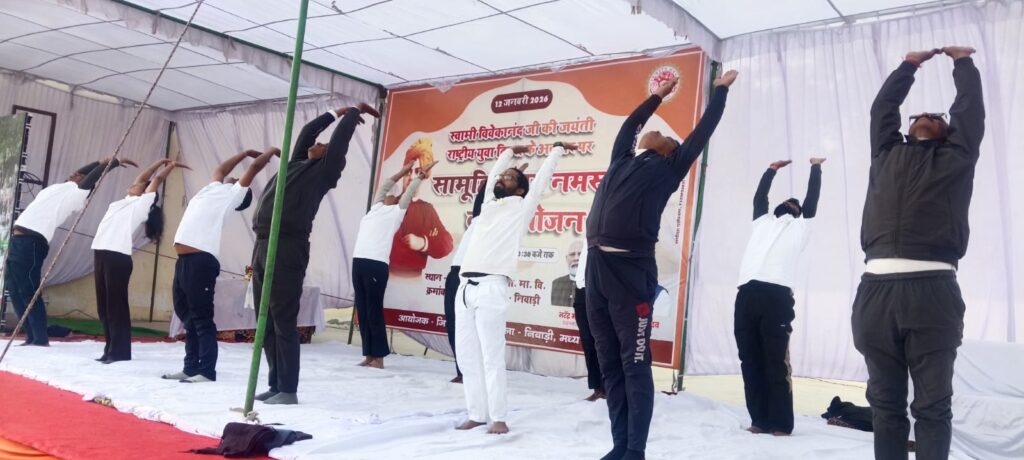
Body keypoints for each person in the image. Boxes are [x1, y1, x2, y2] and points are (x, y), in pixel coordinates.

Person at [585, 70, 737, 460]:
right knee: (609, 364)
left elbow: (702, 132)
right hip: (596, 270)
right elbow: (632, 125)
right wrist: (656, 97)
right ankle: (620, 445)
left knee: (634, 364)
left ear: (669, 150)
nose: (657, 132)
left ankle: (636, 450)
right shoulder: (621, 158)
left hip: (631, 274)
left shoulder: (670, 168)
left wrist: (720, 92)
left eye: (666, 135)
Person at [853, 46, 983, 460]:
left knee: (931, 406)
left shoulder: (957, 157)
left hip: (932, 289)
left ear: (949, 132)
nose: (926, 116)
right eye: (918, 116)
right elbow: (882, 109)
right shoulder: (885, 153)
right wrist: (908, 66)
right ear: (907, 130)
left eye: (936, 116)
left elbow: (970, 112)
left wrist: (962, 64)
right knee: (885, 405)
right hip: (875, 292)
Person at [251, 102, 379, 405]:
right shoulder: (295, 162)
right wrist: (336, 112)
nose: (316, 144)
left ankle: (288, 389)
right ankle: (275, 383)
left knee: (282, 318)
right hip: (263, 244)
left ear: (326, 156)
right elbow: (309, 131)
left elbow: (338, 143)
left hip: (287, 246)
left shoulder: (323, 173)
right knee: (264, 320)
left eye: (321, 145)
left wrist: (352, 115)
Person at [455, 142, 570, 435]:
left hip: (491, 287)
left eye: (509, 178)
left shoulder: (521, 207)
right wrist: (508, 154)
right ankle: (476, 413)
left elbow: (541, 179)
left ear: (519, 190)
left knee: (491, 356)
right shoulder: (488, 206)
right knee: (467, 356)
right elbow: (491, 177)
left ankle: (498, 417)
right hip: (464, 288)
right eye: (503, 176)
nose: (502, 179)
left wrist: (556, 150)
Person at [161, 147, 277, 383]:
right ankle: (190, 367)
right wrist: (243, 154)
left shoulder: (232, 195)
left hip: (201, 261)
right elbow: (220, 170)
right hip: (184, 261)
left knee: (201, 317)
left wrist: (271, 151)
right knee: (187, 316)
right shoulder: (213, 188)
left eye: (237, 180)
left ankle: (206, 370)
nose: (232, 177)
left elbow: (255, 168)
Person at [734, 157, 825, 436]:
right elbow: (760, 198)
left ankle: (782, 424)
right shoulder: (762, 222)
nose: (790, 204)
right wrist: (770, 171)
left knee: (775, 360)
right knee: (749, 359)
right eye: (787, 202)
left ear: (798, 213)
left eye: (794, 204)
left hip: (777, 296)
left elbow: (811, 200)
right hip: (747, 293)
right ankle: (759, 420)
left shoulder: (801, 227)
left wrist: (815, 168)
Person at [5, 157, 137, 346]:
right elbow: (82, 172)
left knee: (27, 289)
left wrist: (111, 164)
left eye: (79, 176)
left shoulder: (77, 195)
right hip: (18, 240)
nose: (75, 174)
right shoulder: (60, 187)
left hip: (31, 242)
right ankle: (31, 335)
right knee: (13, 287)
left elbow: (90, 178)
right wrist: (99, 161)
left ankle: (40, 338)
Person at [92, 159, 179, 363]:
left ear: (145, 193)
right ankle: (109, 349)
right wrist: (159, 162)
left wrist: (171, 166)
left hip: (117, 257)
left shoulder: (141, 205)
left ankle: (119, 352)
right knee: (104, 307)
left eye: (138, 185)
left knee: (116, 307)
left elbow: (156, 180)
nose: (133, 184)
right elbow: (144, 176)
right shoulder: (126, 201)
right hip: (101, 253)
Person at [351, 160, 431, 369]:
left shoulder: (396, 213)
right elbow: (386, 184)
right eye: (388, 194)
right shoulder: (375, 208)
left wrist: (419, 177)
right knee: (363, 310)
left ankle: (378, 358)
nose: (388, 194)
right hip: (359, 262)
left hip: (376, 264)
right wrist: (403, 171)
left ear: (396, 200)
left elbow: (408, 193)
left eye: (393, 195)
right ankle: (369, 354)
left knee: (373, 310)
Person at [442, 181, 487, 383]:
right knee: (453, 324)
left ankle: (473, 371)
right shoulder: (477, 220)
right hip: (455, 274)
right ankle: (462, 371)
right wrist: (488, 183)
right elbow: (480, 201)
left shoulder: (497, 222)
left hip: (473, 276)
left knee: (472, 327)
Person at [388, 137, 453, 275]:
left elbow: (447, 243)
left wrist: (423, 243)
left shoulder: (426, 210)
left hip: (413, 280)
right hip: (383, 274)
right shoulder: (389, 203)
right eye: (408, 171)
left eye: (418, 172)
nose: (412, 177)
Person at [572, 243, 605, 401]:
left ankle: (609, 387)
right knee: (587, 340)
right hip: (581, 289)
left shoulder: (606, 232)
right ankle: (598, 387)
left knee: (603, 341)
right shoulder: (588, 235)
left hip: (599, 288)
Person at [550, 239, 584, 307]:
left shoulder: (594, 283)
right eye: (572, 254)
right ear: (566, 258)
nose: (576, 258)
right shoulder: (557, 283)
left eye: (580, 254)